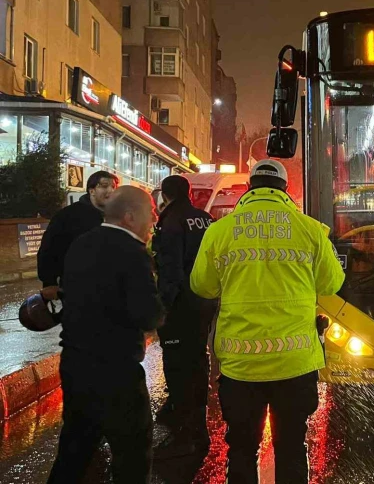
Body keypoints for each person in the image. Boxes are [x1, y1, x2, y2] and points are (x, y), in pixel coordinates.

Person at [190, 159, 345, 483]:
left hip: (241, 366)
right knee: (290, 447)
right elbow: (331, 284)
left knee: (242, 450)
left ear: (250, 188)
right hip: (295, 364)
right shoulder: (310, 230)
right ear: (284, 190)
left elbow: (201, 286)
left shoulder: (220, 231)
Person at [47, 186, 164, 484]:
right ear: (129, 217)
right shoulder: (132, 254)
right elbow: (147, 315)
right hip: (117, 374)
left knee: (74, 452)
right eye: (149, 213)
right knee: (133, 457)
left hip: (75, 366)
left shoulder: (81, 244)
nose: (153, 219)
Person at [151, 174, 218, 459]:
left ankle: (186, 432)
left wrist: (162, 308)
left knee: (178, 366)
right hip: (205, 301)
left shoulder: (171, 221)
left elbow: (171, 270)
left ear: (165, 195)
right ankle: (195, 423)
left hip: (181, 304)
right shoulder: (205, 218)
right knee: (198, 360)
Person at [37, 170, 119, 300]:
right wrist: (49, 282)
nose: (110, 191)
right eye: (104, 186)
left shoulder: (118, 216)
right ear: (91, 191)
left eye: (113, 187)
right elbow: (49, 248)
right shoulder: (68, 216)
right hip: (77, 288)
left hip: (110, 289)